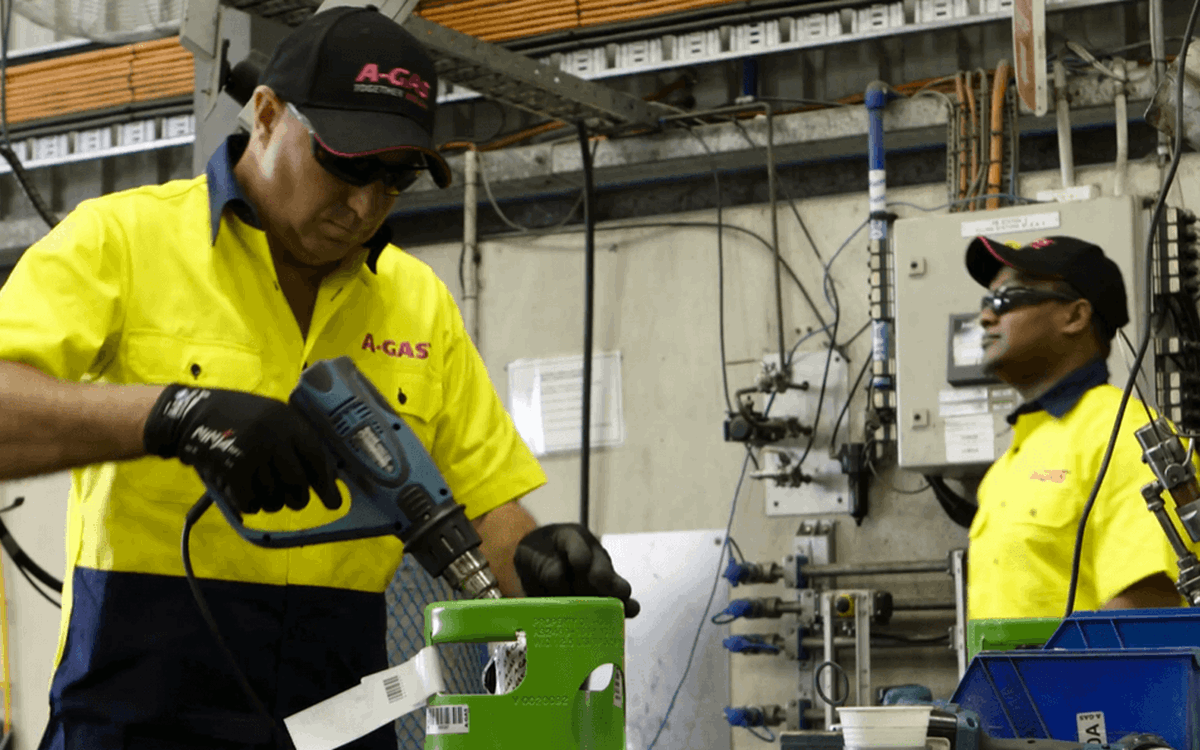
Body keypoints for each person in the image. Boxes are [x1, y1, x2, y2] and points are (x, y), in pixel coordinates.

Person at [0, 7, 637, 750]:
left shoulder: (416, 302)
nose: (364, 205)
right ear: (266, 115)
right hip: (139, 714)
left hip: (340, 721)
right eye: (345, 163)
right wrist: (177, 415)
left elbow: (484, 509)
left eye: (394, 178)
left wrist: (540, 562)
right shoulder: (121, 243)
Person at [965, 234, 1186, 620]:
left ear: (1075, 316)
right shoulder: (1011, 462)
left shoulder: (1126, 438)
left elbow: (1142, 627)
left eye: (1004, 300)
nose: (985, 317)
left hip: (1083, 684)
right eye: (986, 303)